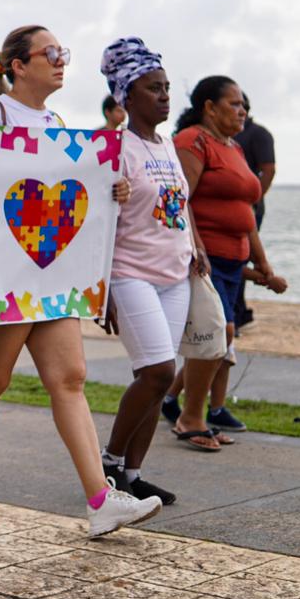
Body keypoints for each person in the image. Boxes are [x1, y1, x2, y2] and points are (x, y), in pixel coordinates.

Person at [0, 25, 161, 538]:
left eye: (64, 53)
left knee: (70, 378)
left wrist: (109, 186)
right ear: (17, 64)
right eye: (51, 53)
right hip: (4, 272)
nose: (62, 61)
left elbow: (66, 188)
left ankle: (101, 499)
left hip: (51, 271)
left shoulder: (57, 120)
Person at [96, 38, 205, 504]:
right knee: (158, 371)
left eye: (165, 87)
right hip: (130, 273)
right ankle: (108, 463)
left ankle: (132, 475)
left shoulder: (165, 146)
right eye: (153, 88)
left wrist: (195, 244)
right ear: (127, 95)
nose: (164, 96)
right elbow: (94, 223)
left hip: (174, 274)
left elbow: (180, 204)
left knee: (158, 376)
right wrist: (104, 294)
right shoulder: (114, 148)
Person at [160, 76, 288, 446]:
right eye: (233, 104)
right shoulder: (191, 142)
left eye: (243, 104)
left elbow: (244, 211)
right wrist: (196, 247)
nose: (242, 110)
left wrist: (262, 263)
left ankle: (185, 409)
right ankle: (190, 417)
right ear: (209, 107)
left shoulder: (232, 146)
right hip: (208, 259)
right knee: (220, 335)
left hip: (235, 262)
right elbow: (180, 201)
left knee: (220, 339)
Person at [232, 92, 275, 332]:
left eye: (239, 104)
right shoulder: (228, 136)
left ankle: (238, 315)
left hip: (250, 207)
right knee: (233, 259)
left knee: (241, 257)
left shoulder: (258, 134)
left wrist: (254, 200)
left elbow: (268, 170)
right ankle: (239, 312)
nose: (237, 110)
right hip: (233, 207)